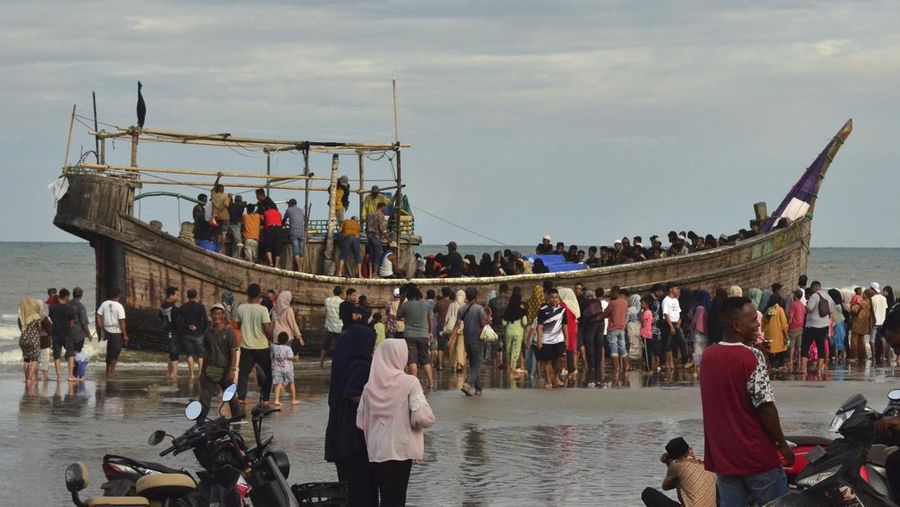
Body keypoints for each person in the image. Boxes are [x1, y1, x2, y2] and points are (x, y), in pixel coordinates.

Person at [700, 296, 794, 506]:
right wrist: (782, 444)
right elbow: (766, 406)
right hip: (756, 456)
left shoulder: (707, 356)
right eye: (752, 320)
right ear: (736, 325)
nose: (758, 324)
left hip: (724, 457)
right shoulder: (751, 357)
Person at [356, 339, 436, 506]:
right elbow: (423, 418)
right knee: (397, 498)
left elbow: (360, 422)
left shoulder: (369, 387)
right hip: (401, 450)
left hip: (377, 451)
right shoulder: (410, 383)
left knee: (384, 497)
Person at [325, 325, 378, 506]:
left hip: (338, 430)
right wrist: (377, 404)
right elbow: (352, 392)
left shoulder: (341, 362)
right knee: (361, 485)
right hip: (352, 434)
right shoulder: (361, 365)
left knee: (347, 484)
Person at [641, 437, 717, 507]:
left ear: (673, 458)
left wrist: (668, 463)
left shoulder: (677, 466)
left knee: (648, 493)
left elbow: (666, 486)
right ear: (689, 450)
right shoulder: (705, 463)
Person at [198, 303, 240, 421]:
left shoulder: (229, 333)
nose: (216, 316)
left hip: (226, 371)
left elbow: (233, 353)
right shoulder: (208, 333)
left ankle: (237, 421)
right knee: (204, 398)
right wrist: (202, 372)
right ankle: (200, 422)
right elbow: (206, 354)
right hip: (211, 371)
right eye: (214, 314)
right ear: (211, 315)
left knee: (231, 398)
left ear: (222, 315)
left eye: (218, 314)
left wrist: (232, 370)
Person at [235, 283, 274, 405]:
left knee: (243, 373)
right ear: (259, 295)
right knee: (267, 373)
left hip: (246, 346)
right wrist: (271, 338)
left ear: (247, 294)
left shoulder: (241, 308)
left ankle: (241, 397)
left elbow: (237, 325)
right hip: (262, 346)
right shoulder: (263, 310)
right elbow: (267, 329)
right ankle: (265, 398)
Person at [397, 285, 434, 389]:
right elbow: (430, 319)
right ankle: (431, 383)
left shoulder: (406, 305)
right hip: (423, 334)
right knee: (425, 359)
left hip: (409, 335)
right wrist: (430, 332)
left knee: (412, 360)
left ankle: (414, 384)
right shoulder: (426, 304)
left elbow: (398, 316)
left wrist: (401, 301)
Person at [537, 288, 568, 390]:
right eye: (552, 297)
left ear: (558, 298)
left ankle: (556, 376)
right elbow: (540, 326)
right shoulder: (543, 310)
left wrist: (566, 338)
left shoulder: (562, 310)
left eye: (556, 297)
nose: (554, 299)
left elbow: (565, 325)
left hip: (559, 338)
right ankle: (548, 381)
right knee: (547, 361)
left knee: (562, 359)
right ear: (548, 298)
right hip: (546, 339)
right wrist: (539, 339)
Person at [801, 281, 833, 373]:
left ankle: (803, 369)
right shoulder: (828, 296)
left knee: (805, 346)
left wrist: (805, 307)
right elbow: (831, 310)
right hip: (824, 325)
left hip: (812, 325)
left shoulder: (814, 296)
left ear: (814, 288)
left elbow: (809, 308)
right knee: (821, 347)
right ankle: (819, 369)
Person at [96, 288, 128, 377]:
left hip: (107, 330)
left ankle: (107, 370)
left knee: (109, 350)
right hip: (116, 332)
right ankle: (112, 370)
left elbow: (98, 315)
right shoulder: (119, 306)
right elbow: (122, 321)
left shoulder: (104, 304)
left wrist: (101, 326)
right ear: (119, 296)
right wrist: (125, 334)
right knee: (116, 351)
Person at [18, 297, 50, 383]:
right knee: (35, 359)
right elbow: (39, 328)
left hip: (23, 339)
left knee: (26, 359)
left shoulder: (21, 318)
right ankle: (30, 378)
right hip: (34, 340)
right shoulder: (36, 317)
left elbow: (21, 328)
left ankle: (26, 378)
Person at [181, 288, 208, 378]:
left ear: (187, 296)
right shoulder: (200, 307)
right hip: (199, 333)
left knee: (189, 354)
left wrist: (187, 326)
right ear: (196, 296)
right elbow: (205, 320)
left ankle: (191, 374)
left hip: (187, 333)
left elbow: (180, 321)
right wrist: (201, 330)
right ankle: (200, 373)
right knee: (200, 354)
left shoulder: (183, 307)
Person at [580, 289, 605, 385]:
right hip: (600, 324)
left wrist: (582, 326)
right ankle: (598, 365)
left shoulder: (584, 303)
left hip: (591, 325)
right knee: (599, 344)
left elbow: (584, 316)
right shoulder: (597, 302)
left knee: (589, 344)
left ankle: (592, 366)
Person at [602, 288, 628, 379]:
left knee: (614, 350)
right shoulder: (625, 302)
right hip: (621, 329)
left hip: (613, 329)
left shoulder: (613, 303)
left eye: (611, 293)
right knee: (623, 349)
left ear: (615, 293)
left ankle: (616, 368)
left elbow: (604, 314)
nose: (611, 294)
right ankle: (625, 367)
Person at [503, 287, 528, 379]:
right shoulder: (522, 311)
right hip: (518, 332)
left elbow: (504, 323)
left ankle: (509, 368)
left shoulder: (507, 310)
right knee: (515, 351)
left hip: (509, 331)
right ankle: (512, 369)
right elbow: (525, 322)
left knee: (508, 350)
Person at [159, 286, 183, 379]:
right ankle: (174, 374)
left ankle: (169, 373)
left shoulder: (162, 306)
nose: (178, 297)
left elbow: (161, 318)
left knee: (171, 352)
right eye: (176, 295)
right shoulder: (173, 308)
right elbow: (177, 323)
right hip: (173, 332)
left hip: (167, 331)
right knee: (174, 352)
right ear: (171, 295)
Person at [271, 332, 299, 406]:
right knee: (291, 383)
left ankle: (276, 400)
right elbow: (290, 358)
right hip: (287, 369)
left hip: (277, 369)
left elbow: (271, 344)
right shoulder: (288, 348)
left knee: (278, 384)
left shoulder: (274, 347)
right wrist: (295, 358)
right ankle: (293, 400)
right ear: (287, 341)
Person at [850, 289, 876, 365]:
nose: (862, 294)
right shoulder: (870, 303)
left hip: (858, 323)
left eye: (864, 293)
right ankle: (863, 356)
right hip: (865, 324)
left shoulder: (862, 303)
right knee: (861, 340)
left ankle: (854, 357)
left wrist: (852, 306)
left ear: (866, 295)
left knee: (854, 340)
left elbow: (854, 310)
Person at [762, 294, 789, 369]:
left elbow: (763, 322)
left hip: (768, 333)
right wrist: (786, 335)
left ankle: (771, 365)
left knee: (770, 349)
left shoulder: (767, 309)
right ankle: (780, 365)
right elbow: (784, 324)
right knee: (781, 348)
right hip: (778, 333)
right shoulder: (779, 310)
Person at [488, 283, 511, 370]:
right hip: (506, 326)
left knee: (494, 347)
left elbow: (489, 313)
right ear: (507, 291)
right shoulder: (509, 301)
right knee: (506, 347)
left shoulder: (492, 301)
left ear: (499, 290)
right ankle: (506, 366)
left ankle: (494, 367)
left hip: (495, 326)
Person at [661, 286, 683, 371]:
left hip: (676, 323)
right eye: (676, 288)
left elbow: (678, 313)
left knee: (679, 343)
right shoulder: (666, 300)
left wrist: (679, 322)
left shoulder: (676, 300)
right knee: (668, 344)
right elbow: (666, 314)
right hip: (668, 324)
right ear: (670, 289)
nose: (677, 290)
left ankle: (672, 362)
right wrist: (671, 326)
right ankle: (668, 363)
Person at [322, 286, 345, 367]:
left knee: (325, 346)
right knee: (338, 346)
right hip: (339, 327)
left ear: (333, 292)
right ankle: (337, 363)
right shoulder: (342, 302)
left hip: (329, 326)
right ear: (341, 293)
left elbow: (326, 310)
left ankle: (321, 363)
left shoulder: (327, 300)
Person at [366, 202, 390, 278]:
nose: (385, 210)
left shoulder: (370, 214)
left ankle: (370, 274)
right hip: (376, 237)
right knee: (377, 256)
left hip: (369, 236)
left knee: (371, 255)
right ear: (382, 207)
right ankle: (375, 274)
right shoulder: (380, 215)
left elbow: (367, 227)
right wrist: (388, 239)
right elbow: (382, 228)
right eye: (385, 208)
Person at [283, 198, 306, 272]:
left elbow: (284, 220)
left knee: (296, 251)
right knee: (301, 252)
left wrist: (283, 223)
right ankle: (301, 269)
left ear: (290, 204)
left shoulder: (288, 210)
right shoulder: (302, 210)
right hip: (302, 232)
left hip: (293, 232)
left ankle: (299, 268)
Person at [69, 287, 92, 360]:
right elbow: (84, 323)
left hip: (67, 333)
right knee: (77, 353)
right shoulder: (81, 307)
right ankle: (76, 369)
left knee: (70, 353)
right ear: (81, 296)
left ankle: (71, 368)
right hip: (78, 335)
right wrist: (89, 335)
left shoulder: (67, 304)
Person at [787, 290, 805, 372]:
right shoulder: (802, 305)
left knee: (792, 346)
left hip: (793, 327)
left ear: (795, 296)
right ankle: (799, 360)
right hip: (800, 327)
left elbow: (791, 316)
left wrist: (788, 324)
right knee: (799, 346)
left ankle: (790, 361)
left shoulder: (794, 304)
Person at [871, 282, 889, 365]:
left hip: (875, 322)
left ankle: (874, 356)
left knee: (872, 340)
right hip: (883, 321)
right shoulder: (884, 298)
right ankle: (883, 356)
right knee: (882, 339)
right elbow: (885, 309)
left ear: (872, 289)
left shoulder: (872, 298)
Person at [261, 202, 284, 268]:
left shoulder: (266, 212)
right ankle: (276, 265)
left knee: (268, 246)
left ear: (268, 207)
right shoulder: (279, 213)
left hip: (270, 228)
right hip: (279, 229)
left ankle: (270, 263)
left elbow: (263, 220)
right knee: (278, 248)